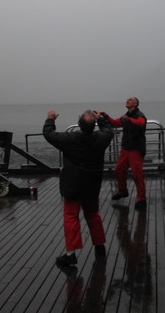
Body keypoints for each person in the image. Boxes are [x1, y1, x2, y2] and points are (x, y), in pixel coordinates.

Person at [43, 109, 114, 266]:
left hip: (73, 184)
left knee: (71, 216)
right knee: (93, 214)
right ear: (93, 124)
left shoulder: (70, 139)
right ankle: (99, 246)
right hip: (92, 184)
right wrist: (101, 118)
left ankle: (71, 254)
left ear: (79, 124)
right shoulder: (101, 139)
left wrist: (50, 120)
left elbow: (49, 134)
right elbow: (108, 131)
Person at [99, 97, 147, 209]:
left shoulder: (139, 115)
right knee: (119, 170)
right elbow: (115, 123)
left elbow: (141, 123)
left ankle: (142, 200)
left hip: (136, 149)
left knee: (137, 175)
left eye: (130, 100)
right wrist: (105, 116)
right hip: (126, 148)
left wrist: (128, 120)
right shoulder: (126, 115)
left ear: (135, 104)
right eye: (127, 100)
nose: (127, 101)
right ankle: (123, 191)